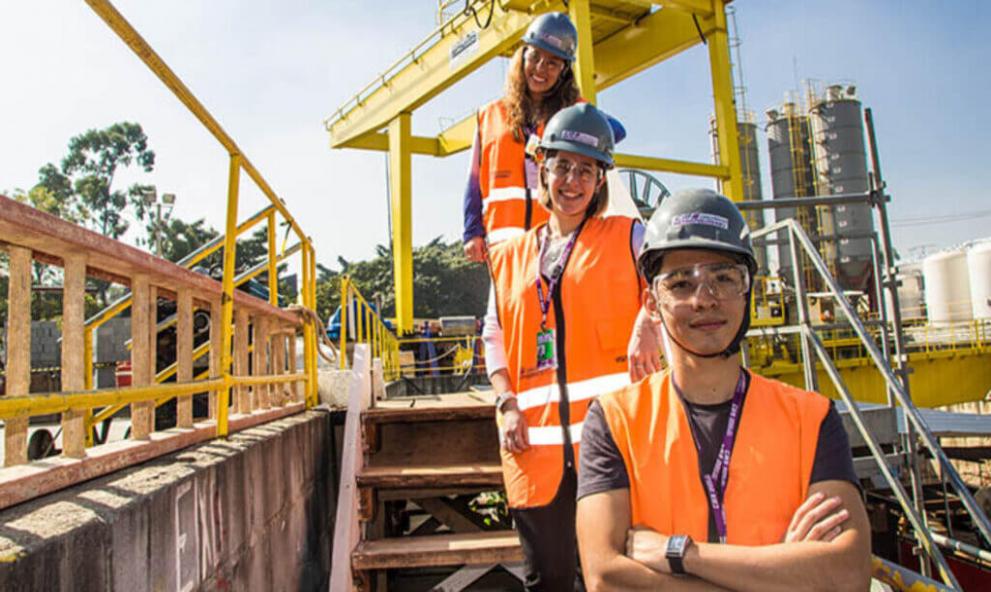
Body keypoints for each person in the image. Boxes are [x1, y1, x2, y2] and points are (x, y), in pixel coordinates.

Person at [576, 189, 872, 591]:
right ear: (650, 302)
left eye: (724, 279)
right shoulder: (615, 421)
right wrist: (782, 575)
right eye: (680, 284)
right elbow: (606, 578)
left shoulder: (811, 418)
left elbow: (847, 574)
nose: (704, 299)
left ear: (748, 289)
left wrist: (679, 553)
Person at [485, 103, 643, 590]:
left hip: (613, 449)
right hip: (536, 450)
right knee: (547, 581)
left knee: (618, 578)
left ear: (601, 183)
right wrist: (506, 403)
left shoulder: (629, 237)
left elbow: (672, 282)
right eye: (563, 167)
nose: (572, 181)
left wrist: (651, 318)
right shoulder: (509, 256)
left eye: (587, 170)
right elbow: (493, 335)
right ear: (543, 170)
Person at [462, 12, 626, 262]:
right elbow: (474, 180)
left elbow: (616, 131)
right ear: (523, 56)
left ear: (564, 71)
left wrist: (565, 126)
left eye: (553, 63)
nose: (540, 68)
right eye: (535, 56)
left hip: (557, 242)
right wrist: (472, 230)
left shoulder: (572, 112)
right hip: (504, 245)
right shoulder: (489, 115)